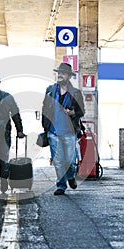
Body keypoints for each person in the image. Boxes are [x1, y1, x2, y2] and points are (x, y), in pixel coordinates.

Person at [42, 63, 85, 195]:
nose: (60, 75)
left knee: (70, 162)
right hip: (53, 132)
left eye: (63, 73)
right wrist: (46, 127)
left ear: (69, 76)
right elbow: (44, 108)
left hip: (69, 132)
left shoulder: (76, 93)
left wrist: (73, 113)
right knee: (58, 161)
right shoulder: (50, 90)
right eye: (59, 73)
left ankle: (71, 176)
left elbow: (81, 111)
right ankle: (61, 185)